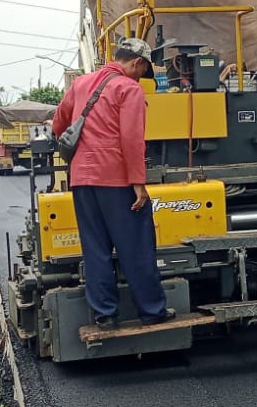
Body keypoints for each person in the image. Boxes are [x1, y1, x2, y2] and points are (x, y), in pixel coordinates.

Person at [53, 37, 172, 330]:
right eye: (141, 71)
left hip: (81, 179)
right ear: (137, 62)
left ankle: (104, 315)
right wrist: (138, 182)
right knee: (137, 247)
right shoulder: (127, 88)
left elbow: (59, 123)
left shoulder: (81, 83)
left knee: (95, 248)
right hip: (116, 179)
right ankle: (152, 311)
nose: (140, 77)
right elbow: (131, 139)